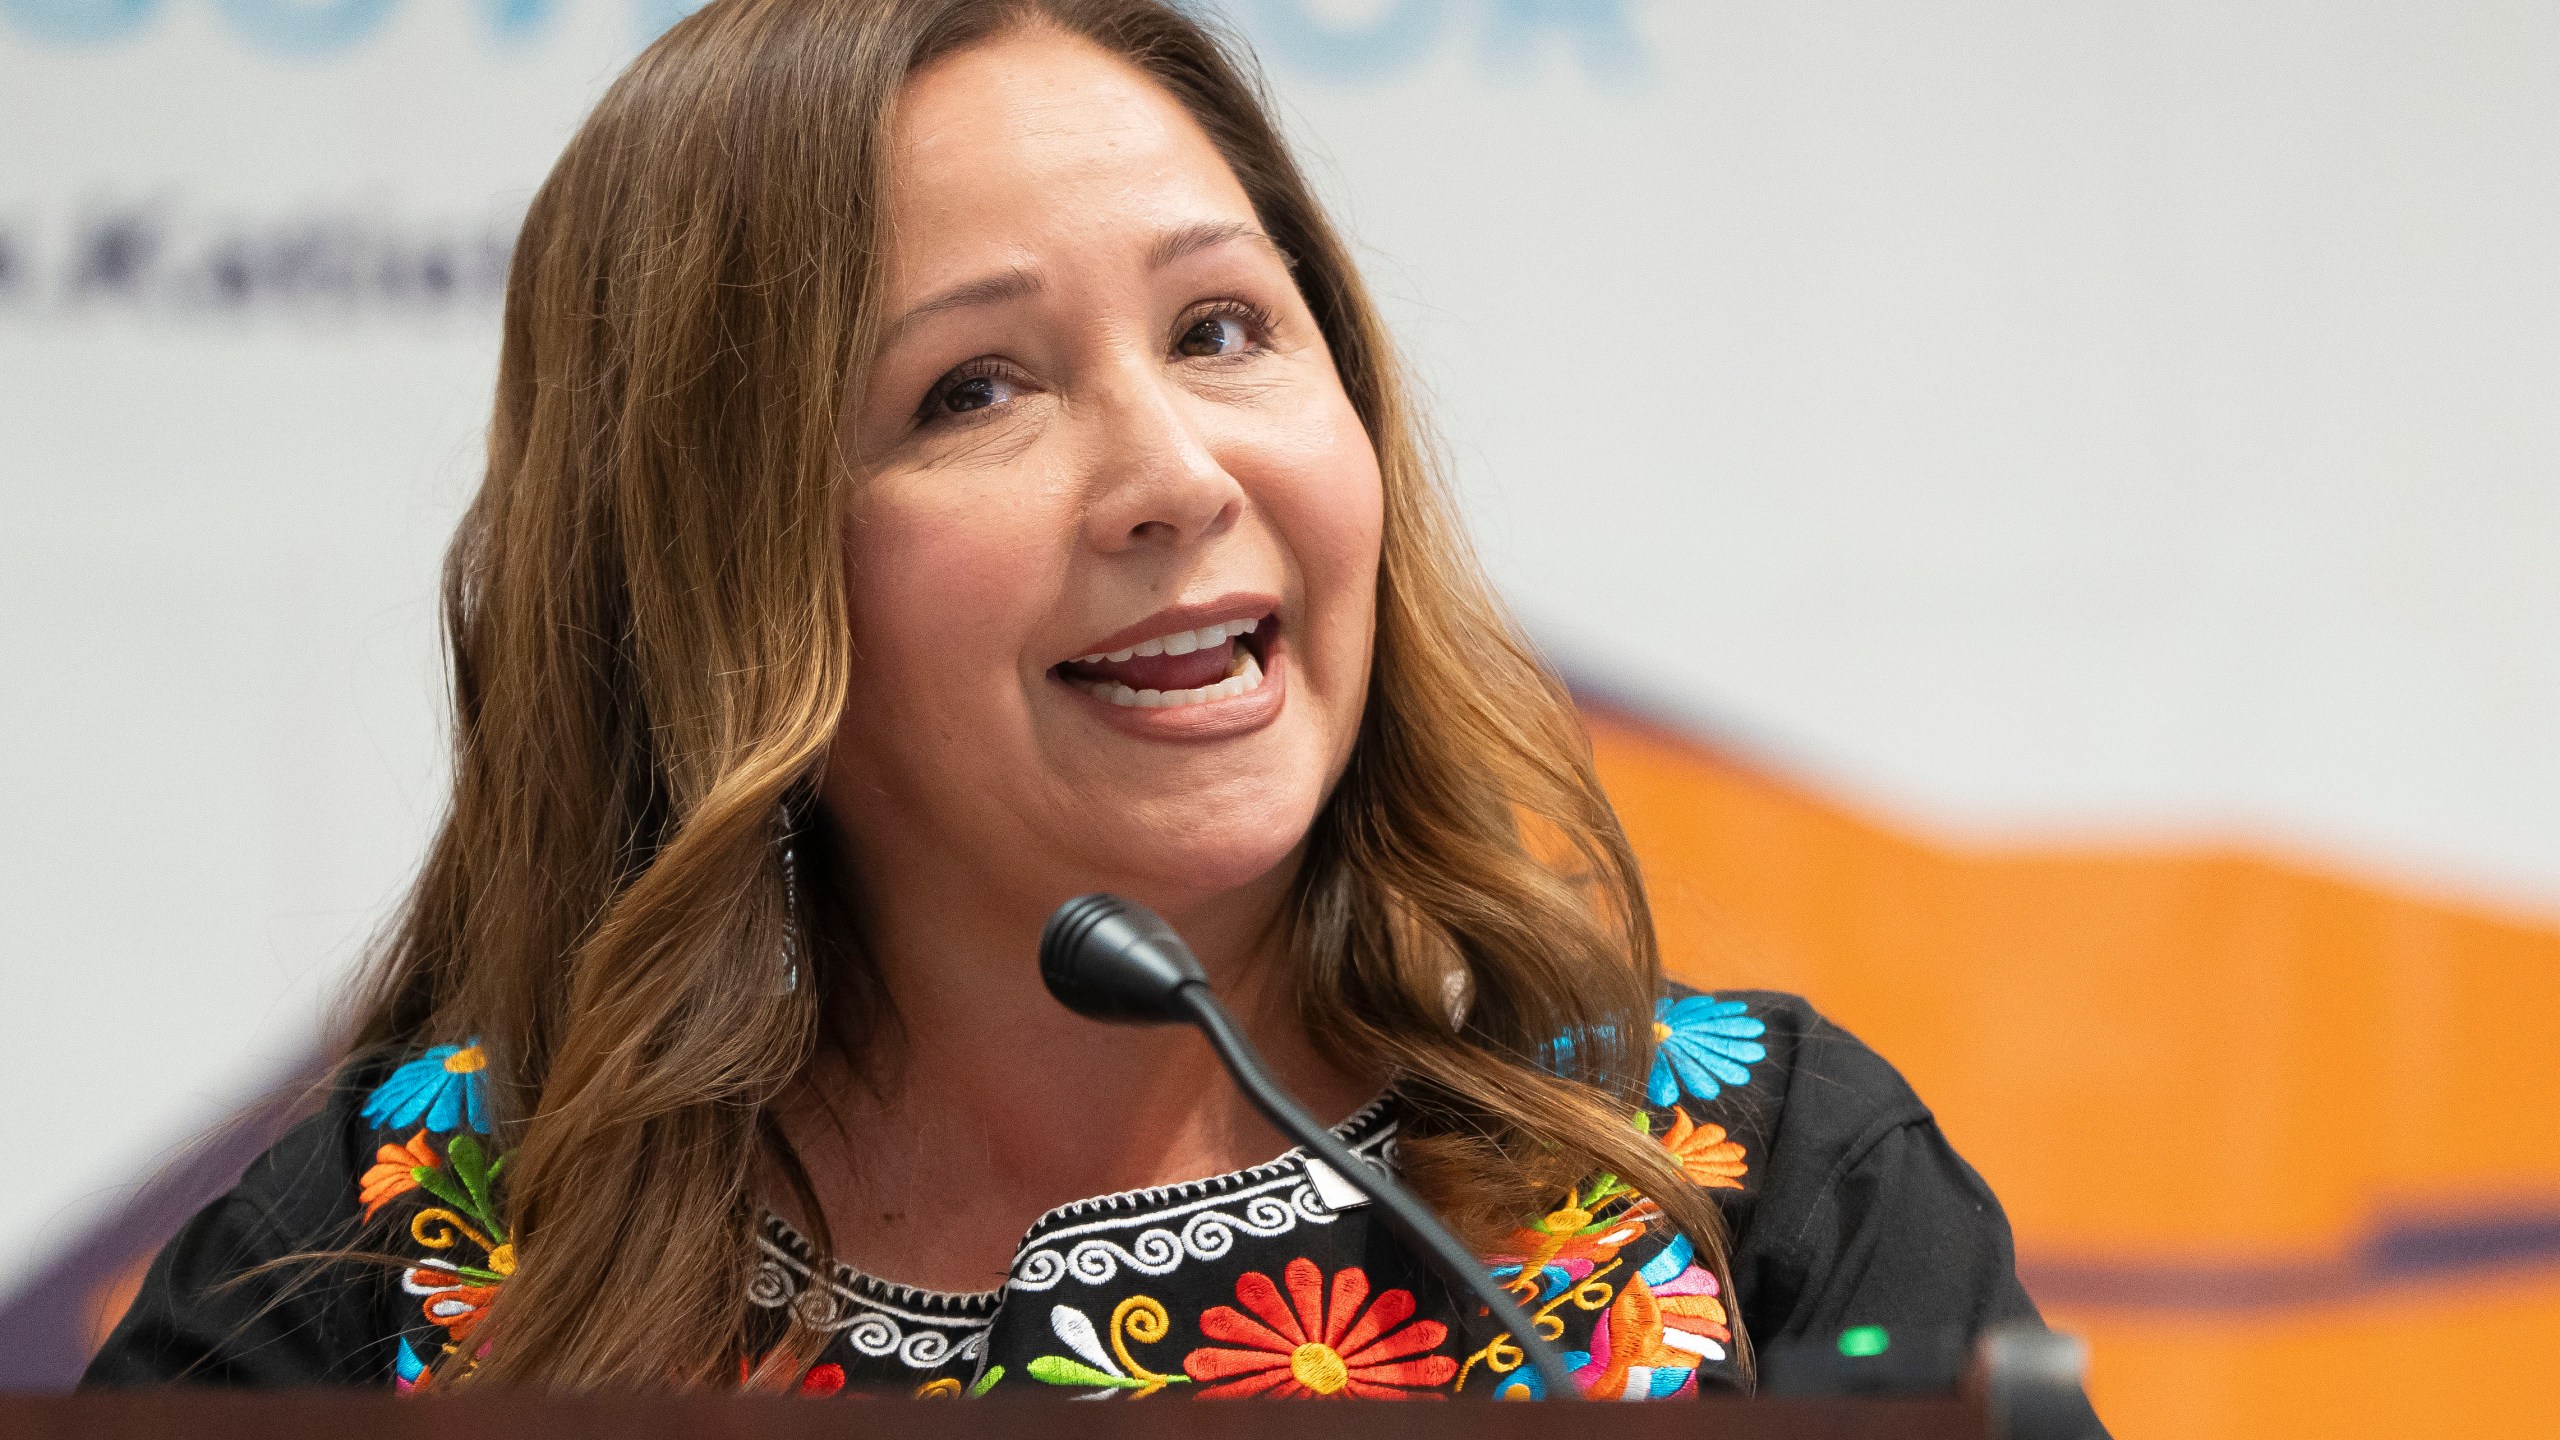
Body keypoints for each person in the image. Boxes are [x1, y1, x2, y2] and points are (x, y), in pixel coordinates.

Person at [87, 0, 2046, 1399]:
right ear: (714, 570)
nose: (1176, 475)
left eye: (1219, 329)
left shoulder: (1734, 1192)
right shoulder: (393, 1258)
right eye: (974, 390)